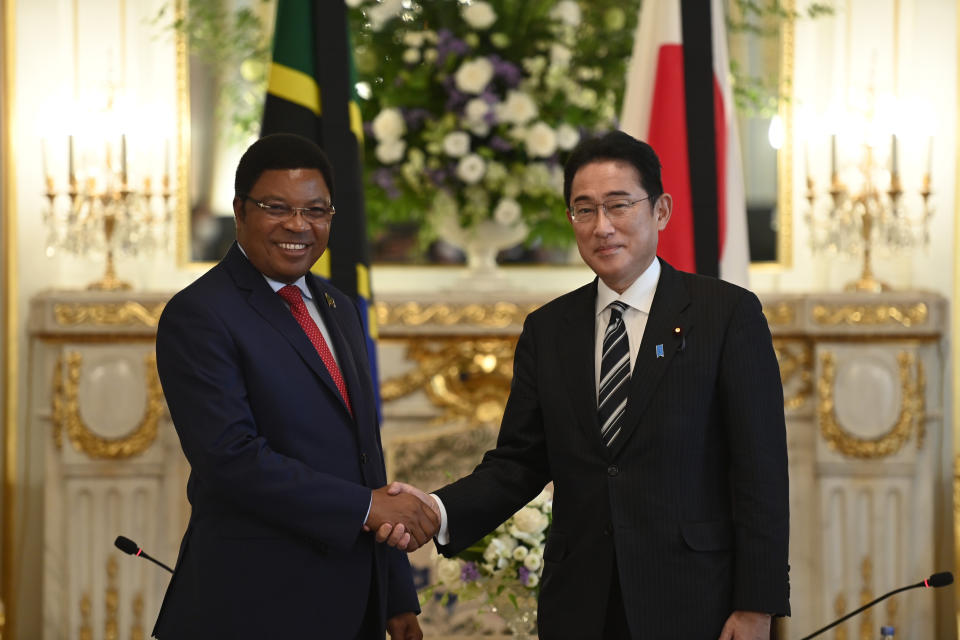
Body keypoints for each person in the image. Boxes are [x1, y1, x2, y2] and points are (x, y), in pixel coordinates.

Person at [381, 131, 790, 639]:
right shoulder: (549, 329)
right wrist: (435, 510)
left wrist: (757, 606)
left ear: (660, 210)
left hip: (694, 601)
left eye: (618, 206)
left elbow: (761, 473)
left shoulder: (725, 315)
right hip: (581, 606)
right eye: (584, 210)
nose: (603, 227)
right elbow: (518, 464)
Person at [152, 133, 437, 640]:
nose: (298, 226)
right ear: (240, 211)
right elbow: (231, 460)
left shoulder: (338, 307)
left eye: (316, 210)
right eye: (276, 208)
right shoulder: (200, 314)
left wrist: (395, 596)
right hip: (253, 606)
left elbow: (367, 458)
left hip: (354, 607)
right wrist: (369, 508)